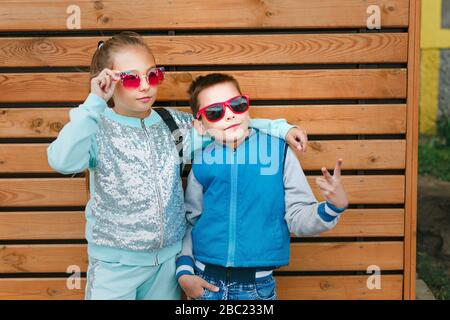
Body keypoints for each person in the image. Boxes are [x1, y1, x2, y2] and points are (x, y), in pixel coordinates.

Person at [47, 32, 308, 300]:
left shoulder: (174, 126)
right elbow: (62, 161)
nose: (145, 86)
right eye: (131, 78)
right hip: (115, 267)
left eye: (153, 75)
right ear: (108, 82)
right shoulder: (95, 126)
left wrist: (279, 128)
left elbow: (224, 121)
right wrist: (94, 104)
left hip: (167, 265)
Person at [176, 73, 349, 300]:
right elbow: (190, 221)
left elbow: (298, 216)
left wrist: (332, 207)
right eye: (215, 112)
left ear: (247, 107)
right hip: (204, 282)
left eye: (237, 105)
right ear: (200, 125)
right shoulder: (201, 161)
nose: (229, 116)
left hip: (256, 288)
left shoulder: (279, 152)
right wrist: (185, 272)